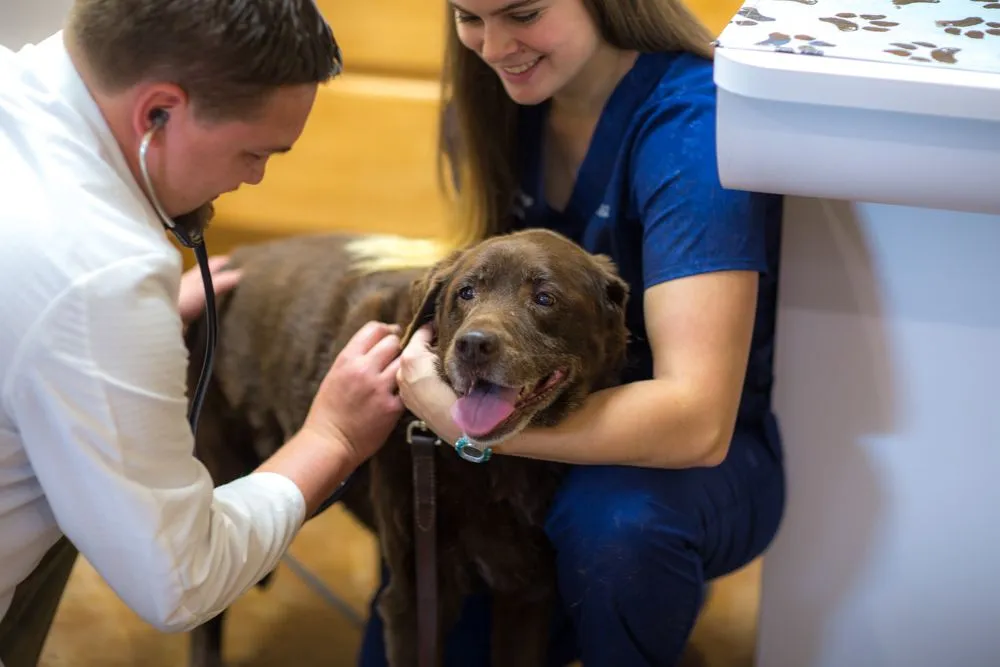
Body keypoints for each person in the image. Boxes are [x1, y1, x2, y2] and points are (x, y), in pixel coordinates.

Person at [360, 0, 788, 665]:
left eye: (523, 13)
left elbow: (698, 420)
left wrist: (460, 423)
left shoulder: (689, 131)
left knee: (614, 528)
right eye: (469, 16)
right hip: (540, 422)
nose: (495, 44)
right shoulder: (504, 98)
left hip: (690, 462)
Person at [0, 1, 406, 665]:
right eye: (253, 151)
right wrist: (329, 437)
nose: (254, 176)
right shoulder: (103, 277)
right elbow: (179, 579)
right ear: (158, 111)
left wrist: (103, 336)